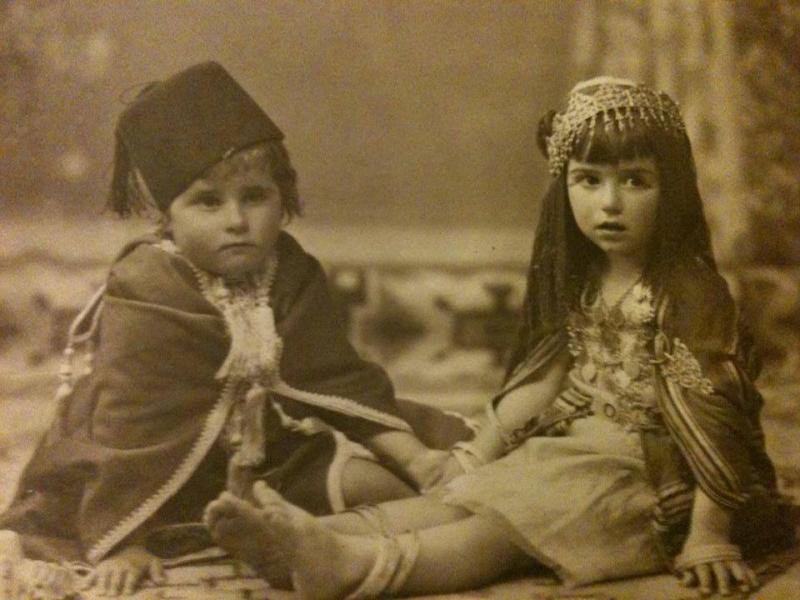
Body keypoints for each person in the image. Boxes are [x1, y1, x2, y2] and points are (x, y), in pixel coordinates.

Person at [203, 76, 794, 599]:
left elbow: (716, 417)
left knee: (505, 526)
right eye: (588, 181)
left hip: (653, 473)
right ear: (564, 188)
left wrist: (710, 535)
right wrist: (478, 451)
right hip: (576, 445)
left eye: (635, 181)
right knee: (467, 494)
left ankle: (360, 566)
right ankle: (306, 540)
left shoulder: (687, 292)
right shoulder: (583, 278)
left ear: (674, 192)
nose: (608, 204)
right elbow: (547, 376)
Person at [0, 61, 452, 596]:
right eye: (208, 202)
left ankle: (297, 539)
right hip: (150, 473)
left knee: (395, 491)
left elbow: (335, 381)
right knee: (128, 509)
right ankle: (213, 532)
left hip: (267, 457)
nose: (237, 220)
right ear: (167, 216)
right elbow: (129, 426)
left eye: (255, 196)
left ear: (284, 199)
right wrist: (123, 541)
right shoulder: (148, 287)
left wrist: (419, 460)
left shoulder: (291, 271)